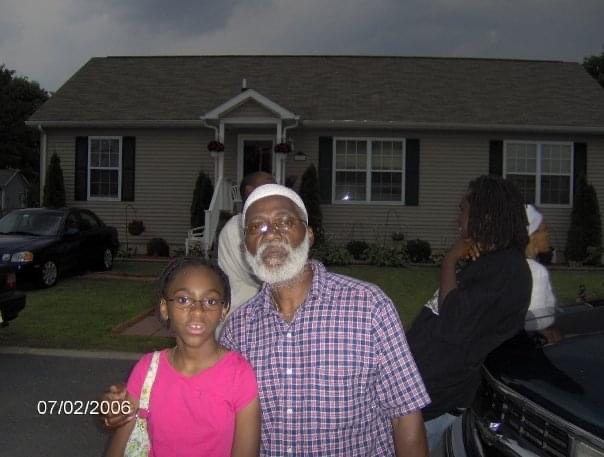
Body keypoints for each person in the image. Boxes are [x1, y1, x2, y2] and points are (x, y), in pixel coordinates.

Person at [103, 184, 430, 457]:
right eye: (256, 226)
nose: (271, 232)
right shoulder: (238, 328)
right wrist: (127, 406)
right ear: (246, 247)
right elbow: (196, 402)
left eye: (285, 221)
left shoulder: (368, 307)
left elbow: (405, 416)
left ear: (310, 234)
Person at [406, 175, 532, 451]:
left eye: (463, 209)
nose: (458, 218)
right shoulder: (489, 264)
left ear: (486, 216)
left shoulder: (507, 270)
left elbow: (452, 323)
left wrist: (449, 260)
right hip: (418, 394)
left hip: (434, 401)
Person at [105, 257, 260, 457]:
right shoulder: (147, 369)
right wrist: (114, 410)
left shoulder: (240, 375)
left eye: (210, 301)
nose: (197, 311)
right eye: (183, 300)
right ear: (164, 308)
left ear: (223, 310)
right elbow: (118, 447)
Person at [218, 172, 275, 315]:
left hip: (261, 312)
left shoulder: (266, 226)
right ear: (250, 191)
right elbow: (255, 272)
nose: (275, 187)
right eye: (269, 183)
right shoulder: (236, 227)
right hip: (240, 313)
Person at [524, 204, 557, 334]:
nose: (548, 234)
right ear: (532, 235)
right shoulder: (535, 271)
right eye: (545, 230)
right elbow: (535, 322)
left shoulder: (515, 264)